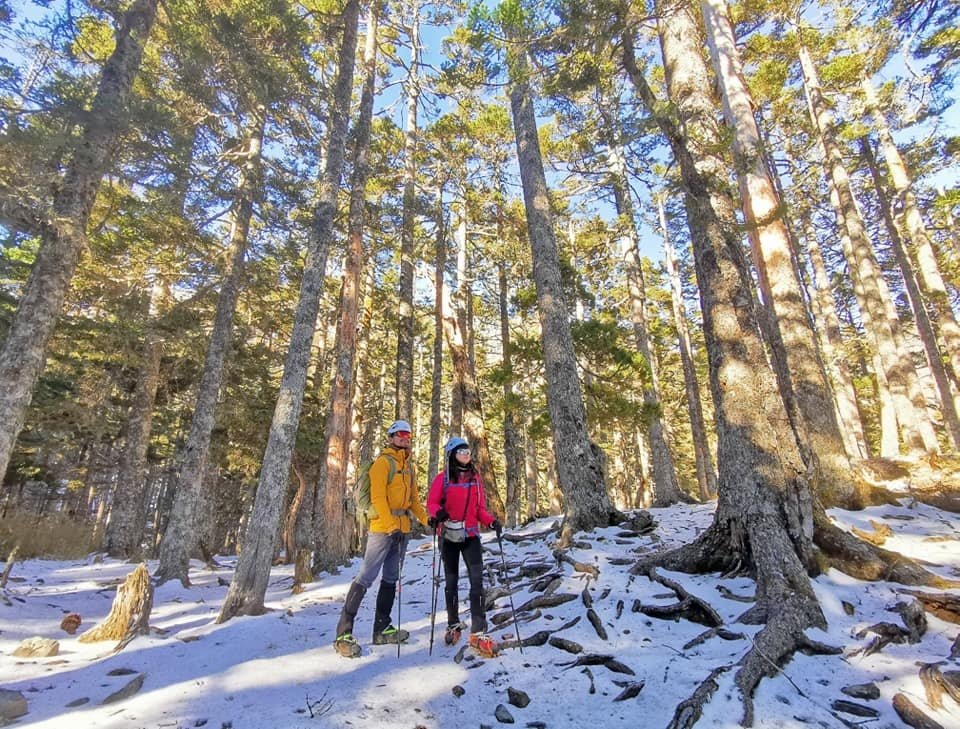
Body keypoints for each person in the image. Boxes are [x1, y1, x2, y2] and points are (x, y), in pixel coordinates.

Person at [334, 419, 429, 658]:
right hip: (381, 529)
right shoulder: (382, 464)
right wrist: (389, 526)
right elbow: (378, 498)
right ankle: (343, 633)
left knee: (390, 578)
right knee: (366, 576)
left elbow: (414, 501)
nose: (404, 439)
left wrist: (430, 521)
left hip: (403, 529)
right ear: (390, 437)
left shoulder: (408, 467)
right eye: (399, 435)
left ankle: (382, 628)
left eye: (407, 435)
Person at [427, 437, 502, 657]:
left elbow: (480, 509)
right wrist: (438, 514)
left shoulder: (475, 479)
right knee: (451, 582)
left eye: (468, 452)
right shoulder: (443, 479)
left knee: (477, 580)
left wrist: (490, 521)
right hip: (448, 535)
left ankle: (478, 631)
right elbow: (431, 503)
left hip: (471, 535)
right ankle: (453, 623)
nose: (466, 455)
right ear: (451, 454)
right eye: (461, 452)